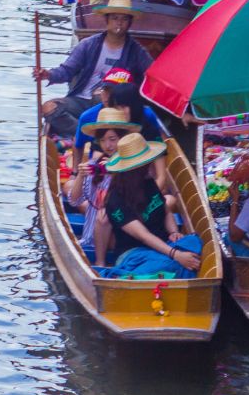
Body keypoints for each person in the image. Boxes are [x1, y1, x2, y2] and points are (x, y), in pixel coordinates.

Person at [34, 0, 153, 137]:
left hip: (112, 105)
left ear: (129, 23)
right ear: (107, 20)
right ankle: (89, 136)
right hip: (81, 100)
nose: (119, 23)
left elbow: (152, 77)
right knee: (49, 108)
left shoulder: (136, 51)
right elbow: (67, 70)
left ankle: (93, 135)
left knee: (103, 96)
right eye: (115, 18)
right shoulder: (88, 45)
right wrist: (48, 74)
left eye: (124, 19)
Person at [102, 133, 202, 276]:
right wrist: (175, 254)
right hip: (135, 253)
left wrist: (174, 232)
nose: (150, 166)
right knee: (169, 263)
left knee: (194, 242)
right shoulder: (115, 200)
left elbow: (166, 211)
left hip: (163, 245)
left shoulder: (148, 182)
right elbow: (143, 236)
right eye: (145, 164)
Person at [65, 108, 140, 264]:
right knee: (102, 216)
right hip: (94, 233)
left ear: (122, 138)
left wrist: (116, 174)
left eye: (113, 139)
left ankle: (102, 262)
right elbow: (74, 201)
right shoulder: (95, 166)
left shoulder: (134, 167)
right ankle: (100, 262)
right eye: (104, 140)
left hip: (121, 231)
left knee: (105, 216)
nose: (108, 145)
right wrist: (80, 175)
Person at [74, 75, 164, 167]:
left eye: (123, 107)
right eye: (116, 107)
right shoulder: (106, 125)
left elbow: (159, 173)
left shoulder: (148, 125)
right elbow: (96, 153)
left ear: (134, 106)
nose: (119, 111)